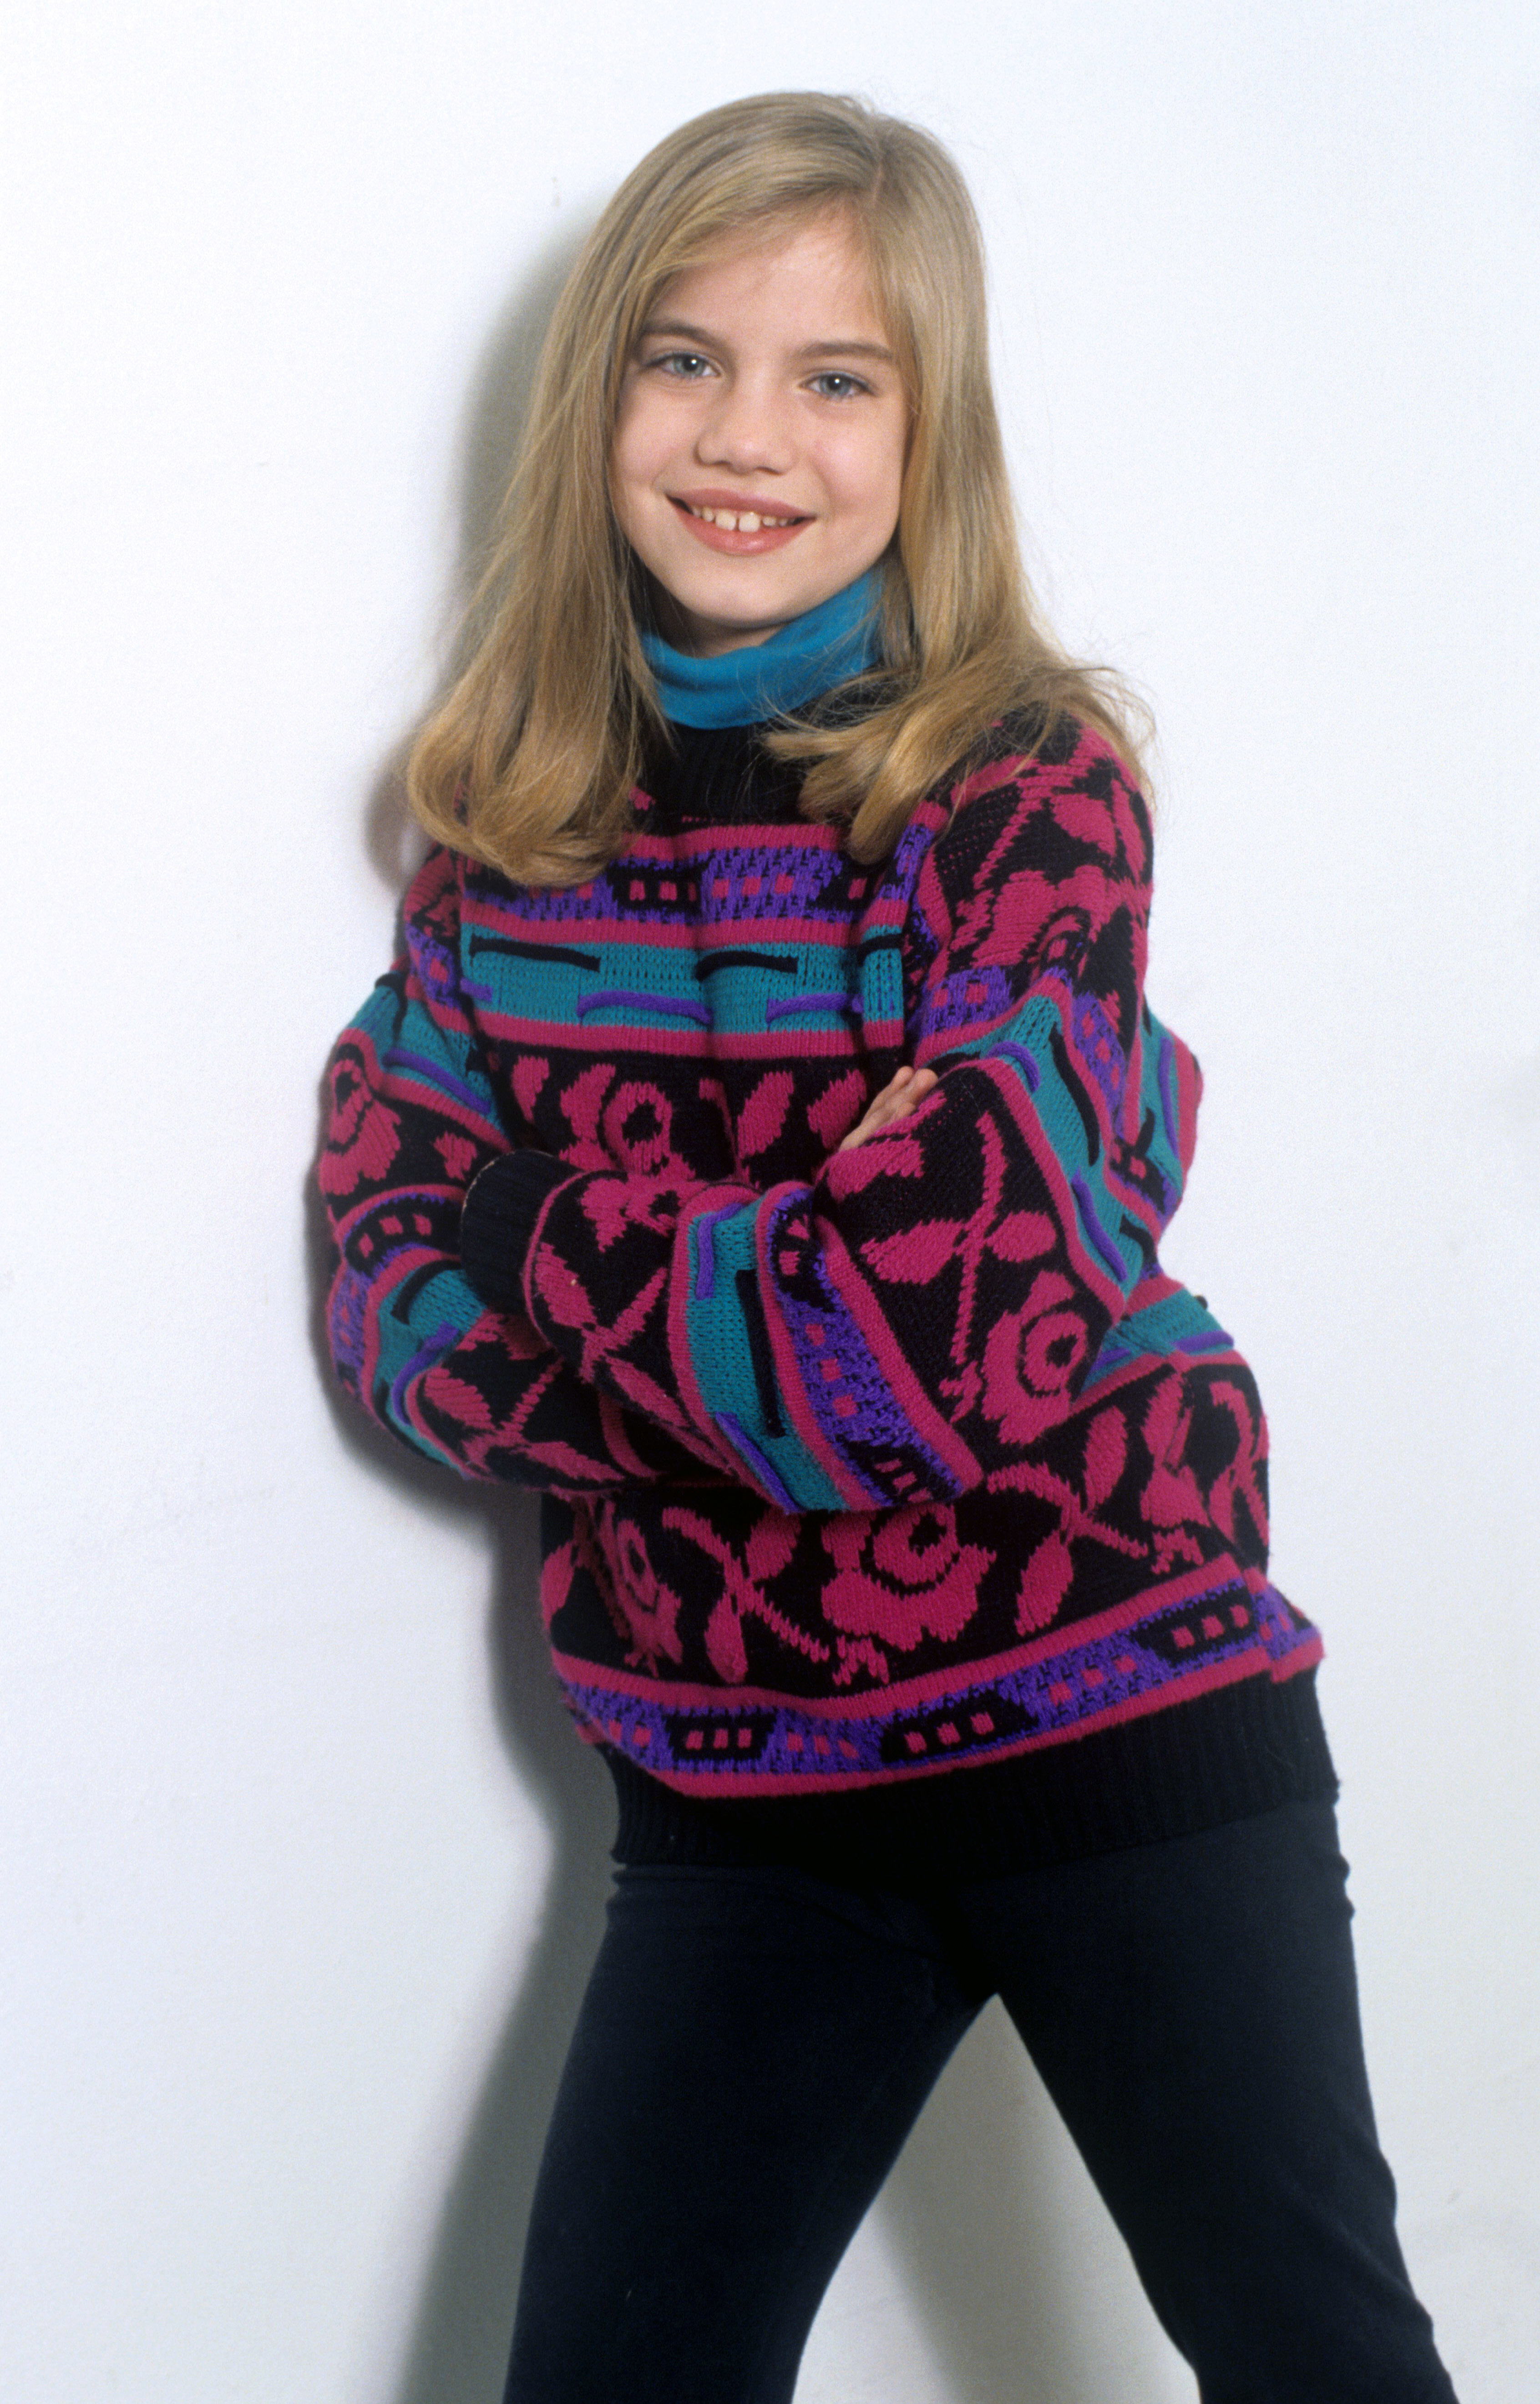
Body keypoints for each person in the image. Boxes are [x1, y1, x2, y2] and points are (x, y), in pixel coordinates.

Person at [318, 91, 1458, 2404]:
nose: (753, 436)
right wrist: (781, 1258)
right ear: (599, 404)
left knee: (1318, 2360)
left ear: (930, 437)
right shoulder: (506, 841)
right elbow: (376, 1282)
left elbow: (925, 1347)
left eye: (839, 377)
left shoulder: (1024, 785)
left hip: (1125, 1721)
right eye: (682, 356)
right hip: (735, 1801)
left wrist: (535, 1215)